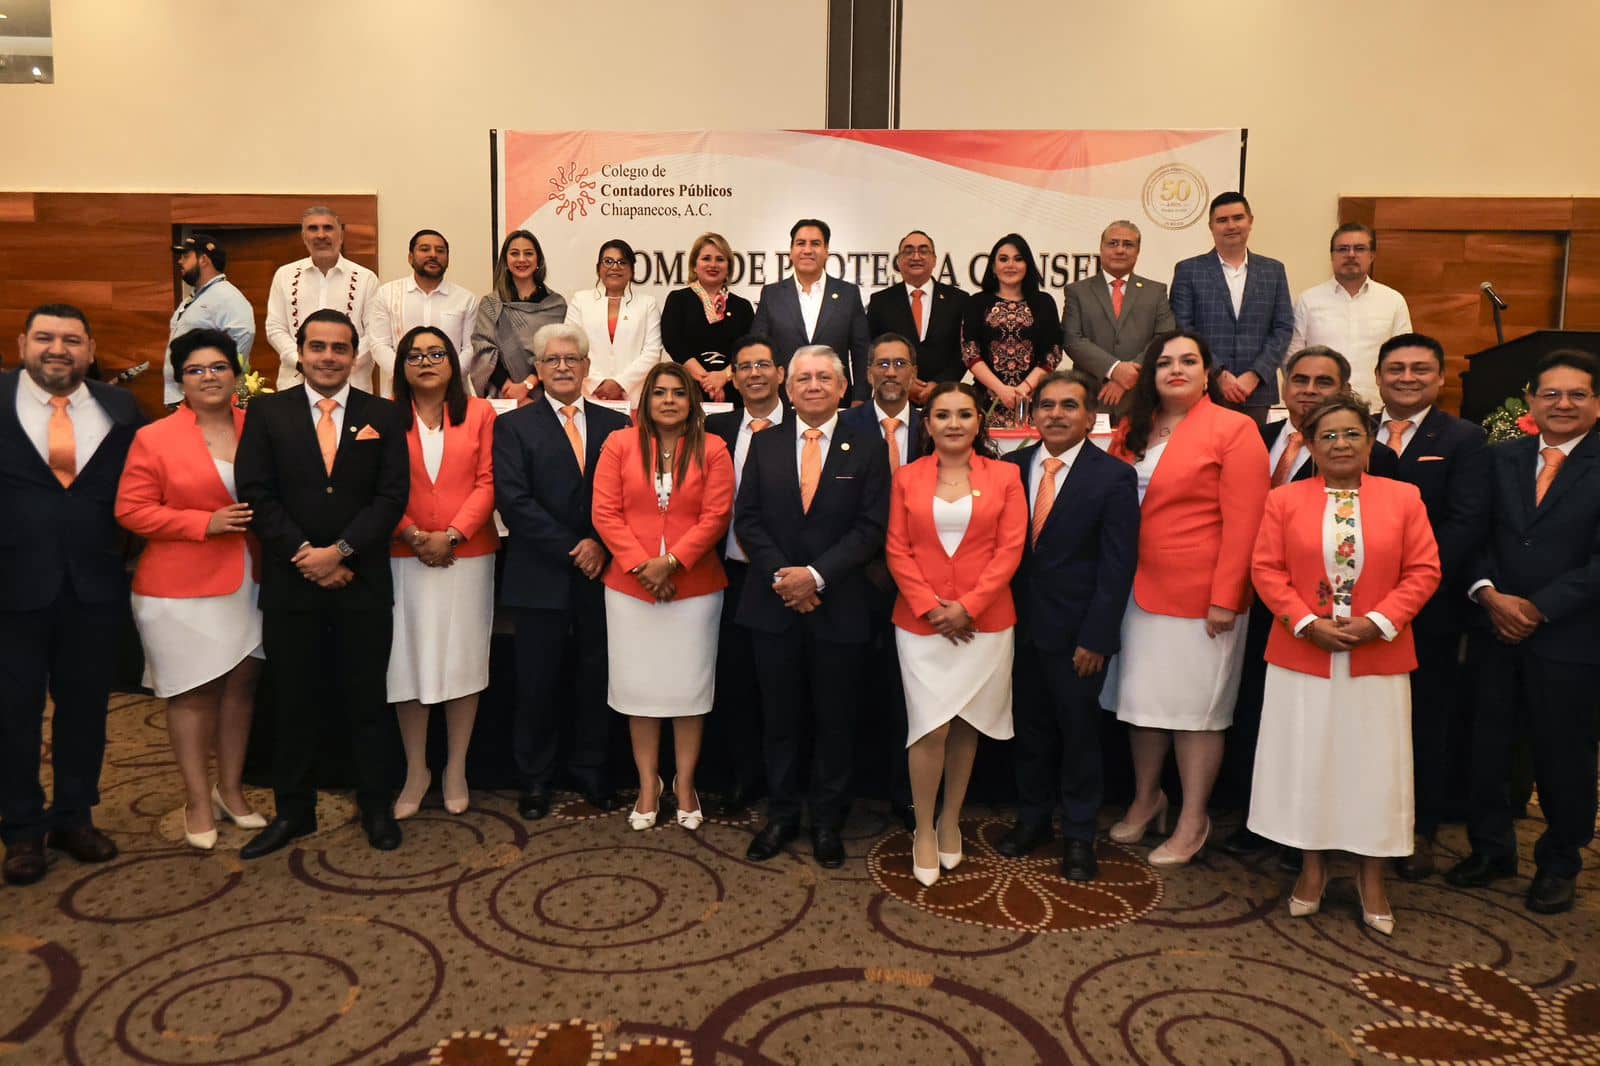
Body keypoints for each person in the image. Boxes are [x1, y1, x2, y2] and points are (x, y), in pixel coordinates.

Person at [1249, 396, 1441, 935]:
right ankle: (1311, 868)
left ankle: (1371, 876)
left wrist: (1378, 622)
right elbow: (1266, 569)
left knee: (1374, 767)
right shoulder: (1283, 501)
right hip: (1302, 653)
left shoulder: (1404, 497)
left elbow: (1424, 571)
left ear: (1369, 441)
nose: (1340, 444)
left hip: (1377, 654)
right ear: (1310, 445)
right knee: (1309, 761)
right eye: (1328, 435)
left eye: (1352, 434)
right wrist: (1305, 623)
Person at [234, 309, 410, 858]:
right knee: (294, 699)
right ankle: (294, 810)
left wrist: (341, 552)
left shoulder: (382, 412)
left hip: (362, 580)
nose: (329, 357)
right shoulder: (268, 413)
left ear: (355, 354)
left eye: (339, 348)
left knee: (366, 699)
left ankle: (376, 806)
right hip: (293, 581)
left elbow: (391, 495)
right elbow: (256, 492)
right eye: (318, 347)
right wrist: (304, 555)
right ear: (301, 353)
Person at [1222, 344, 1399, 858]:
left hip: (1326, 616)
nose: (1309, 391)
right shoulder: (1254, 438)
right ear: (1283, 387)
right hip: (1256, 599)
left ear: (1343, 390)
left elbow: (1385, 541)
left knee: (1320, 727)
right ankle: (1257, 817)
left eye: (1323, 382)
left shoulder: (1372, 457)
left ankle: (1314, 835)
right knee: (1257, 710)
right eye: (1299, 380)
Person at [1102, 330, 1269, 867]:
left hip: (1203, 599)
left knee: (1198, 713)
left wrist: (1227, 596)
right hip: (1135, 590)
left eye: (1189, 361)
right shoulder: (1133, 429)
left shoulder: (1235, 429)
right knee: (1142, 705)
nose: (1176, 369)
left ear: (1206, 374)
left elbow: (1246, 523)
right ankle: (1148, 798)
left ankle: (1194, 817)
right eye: (1164, 362)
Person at [1447, 349, 1600, 915]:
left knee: (1565, 755)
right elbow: (1474, 533)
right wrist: (1488, 593)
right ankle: (1492, 850)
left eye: (1577, 394)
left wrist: (1538, 608)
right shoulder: (1500, 458)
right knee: (1488, 745)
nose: (1563, 404)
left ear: (1596, 404)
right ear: (1531, 401)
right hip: (1495, 627)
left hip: (1572, 638)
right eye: (1551, 394)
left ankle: (1560, 861)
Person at [0, 304, 145, 886]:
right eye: (44, 338)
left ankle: (75, 816)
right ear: (22, 344)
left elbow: (136, 489)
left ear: (90, 350)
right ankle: (22, 830)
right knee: (14, 716)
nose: (57, 349)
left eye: (71, 340)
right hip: (12, 588)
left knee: (86, 709)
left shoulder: (119, 408)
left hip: (94, 584)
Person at [735, 345, 890, 868]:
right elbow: (749, 519)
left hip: (839, 602)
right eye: (803, 378)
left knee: (835, 719)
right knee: (778, 718)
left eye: (825, 377)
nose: (814, 386)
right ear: (787, 386)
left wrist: (817, 576)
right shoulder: (766, 442)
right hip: (773, 602)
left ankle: (826, 820)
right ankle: (781, 815)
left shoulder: (868, 445)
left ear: (844, 387)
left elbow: (871, 526)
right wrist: (786, 577)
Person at [116, 328, 265, 850]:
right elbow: (131, 511)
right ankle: (197, 800)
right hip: (177, 589)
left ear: (236, 373)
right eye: (197, 369)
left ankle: (232, 790)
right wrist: (204, 523)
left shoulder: (259, 427)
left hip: (248, 580)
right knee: (193, 693)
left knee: (241, 689)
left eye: (219, 367)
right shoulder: (154, 438)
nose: (209, 377)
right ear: (180, 378)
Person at [997, 371, 1139, 881]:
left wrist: (1097, 637)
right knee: (1029, 733)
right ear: (1032, 415)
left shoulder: (1113, 476)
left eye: (1069, 406)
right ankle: (1032, 819)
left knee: (1079, 738)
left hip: (1078, 638)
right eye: (1047, 406)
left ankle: (1079, 835)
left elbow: (1117, 565)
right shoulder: (1008, 469)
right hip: (1016, 630)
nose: (1056, 414)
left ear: (1089, 416)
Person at [885, 382, 1027, 885]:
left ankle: (951, 820)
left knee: (967, 723)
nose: (953, 423)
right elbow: (897, 550)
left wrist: (967, 607)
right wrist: (931, 608)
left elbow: (1010, 551)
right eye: (942, 415)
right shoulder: (906, 477)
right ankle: (924, 825)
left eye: (964, 414)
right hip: (922, 626)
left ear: (978, 422)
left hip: (983, 624)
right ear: (927, 425)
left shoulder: (1007, 475)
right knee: (930, 726)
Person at [493, 321, 630, 819]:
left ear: (588, 367)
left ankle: (591, 770)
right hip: (540, 574)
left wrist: (601, 546)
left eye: (573, 359)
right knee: (536, 683)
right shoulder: (512, 426)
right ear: (537, 369)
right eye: (553, 360)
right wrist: (577, 546)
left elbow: (626, 500)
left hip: (603, 576)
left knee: (596, 676)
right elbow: (514, 501)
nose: (564, 367)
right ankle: (536, 779)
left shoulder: (618, 425)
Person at [592, 361, 735, 830]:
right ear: (645, 401)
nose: (669, 400)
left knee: (689, 691)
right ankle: (648, 783)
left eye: (678, 392)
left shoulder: (713, 448)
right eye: (660, 393)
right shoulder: (618, 443)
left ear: (692, 401)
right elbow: (605, 513)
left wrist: (671, 563)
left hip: (693, 588)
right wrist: (643, 566)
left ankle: (686, 783)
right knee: (640, 691)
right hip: (630, 590)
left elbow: (716, 516)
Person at [1372, 333, 1486, 880]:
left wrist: (1407, 585)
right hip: (1355, 609)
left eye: (1421, 369)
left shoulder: (1463, 438)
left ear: (1440, 379)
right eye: (1396, 368)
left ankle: (1419, 831)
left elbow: (1465, 522)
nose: (1407, 378)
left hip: (1427, 610)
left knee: (1423, 722)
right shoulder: (1357, 432)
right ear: (1377, 377)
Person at [387, 327, 498, 820]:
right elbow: (376, 487)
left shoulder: (480, 413)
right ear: (402, 366)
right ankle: (416, 769)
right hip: (401, 556)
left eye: (436, 353)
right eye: (415, 355)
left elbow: (488, 482)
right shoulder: (383, 417)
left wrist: (451, 534)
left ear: (453, 362)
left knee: (463, 662)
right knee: (406, 665)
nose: (426, 361)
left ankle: (456, 768)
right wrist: (413, 534)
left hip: (466, 556)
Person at [839, 333, 923, 828]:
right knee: (846, 692)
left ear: (914, 372)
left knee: (908, 694)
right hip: (853, 577)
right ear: (867, 373)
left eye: (900, 364)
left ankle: (906, 793)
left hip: (917, 584)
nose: (891, 372)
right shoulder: (844, 422)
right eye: (882, 364)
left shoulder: (935, 426)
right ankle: (843, 794)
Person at [704, 335, 786, 815]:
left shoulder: (802, 428)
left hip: (781, 578)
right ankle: (742, 776)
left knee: (781, 688)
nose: (754, 374)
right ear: (732, 378)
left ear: (779, 374)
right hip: (726, 572)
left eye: (763, 365)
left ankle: (783, 783)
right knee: (734, 682)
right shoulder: (715, 429)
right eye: (744, 367)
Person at [1170, 193, 1293, 425]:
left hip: (1256, 391)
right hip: (1205, 386)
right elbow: (1183, 328)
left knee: (1253, 458)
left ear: (1250, 221)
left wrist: (1255, 375)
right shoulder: (1189, 270)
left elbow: (1283, 328)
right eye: (1222, 220)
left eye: (1238, 218)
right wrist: (1218, 373)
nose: (1231, 226)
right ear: (1211, 226)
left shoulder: (1273, 270)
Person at [1061, 221, 1177, 420]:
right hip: (1090, 398)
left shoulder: (1156, 291)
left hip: (1141, 400)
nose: (1120, 250)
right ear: (1101, 248)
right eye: (1113, 243)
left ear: (1138, 251)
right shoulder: (1077, 292)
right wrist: (1114, 369)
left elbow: (1164, 338)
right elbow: (1072, 339)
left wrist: (1128, 376)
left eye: (1128, 244)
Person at [1290, 223, 1413, 410]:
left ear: (1372, 256)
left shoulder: (1393, 301)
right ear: (1332, 256)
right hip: (1320, 409)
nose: (1351, 255)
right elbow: (1293, 358)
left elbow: (1403, 357)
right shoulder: (1308, 300)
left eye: (1360, 249)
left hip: (1376, 408)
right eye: (1343, 249)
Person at [751, 219, 872, 400]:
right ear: (791, 252)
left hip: (836, 401)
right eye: (801, 243)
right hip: (784, 401)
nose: (807, 250)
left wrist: (860, 399)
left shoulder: (848, 294)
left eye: (815, 244)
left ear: (826, 251)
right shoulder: (772, 294)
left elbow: (861, 352)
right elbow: (759, 350)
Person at [266, 206, 379, 392]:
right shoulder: (284, 275)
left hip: (352, 386)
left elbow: (374, 333)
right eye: (313, 229)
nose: (321, 235)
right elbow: (275, 328)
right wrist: (302, 362)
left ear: (341, 235)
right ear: (304, 237)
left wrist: (342, 363)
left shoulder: (366, 278)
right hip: (295, 383)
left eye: (328, 228)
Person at [960, 233, 1064, 430]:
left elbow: (1053, 352)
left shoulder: (1044, 302)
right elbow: (970, 352)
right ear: (992, 266)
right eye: (1003, 259)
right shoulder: (976, 302)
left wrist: (1022, 391)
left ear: (1028, 265)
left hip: (1034, 402)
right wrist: (1001, 390)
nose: (1011, 265)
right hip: (986, 402)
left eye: (1018, 259)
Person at [368, 229, 478, 399]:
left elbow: (470, 348)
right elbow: (379, 344)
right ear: (410, 257)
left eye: (440, 251)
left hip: (452, 394)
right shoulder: (386, 294)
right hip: (400, 393)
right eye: (425, 249)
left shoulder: (465, 299)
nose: (433, 255)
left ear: (448, 259)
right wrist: (407, 375)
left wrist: (448, 375)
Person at [867, 230, 969, 402]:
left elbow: (963, 351)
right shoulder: (880, 301)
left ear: (934, 259)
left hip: (945, 396)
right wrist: (905, 382)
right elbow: (872, 350)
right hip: (894, 397)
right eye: (908, 251)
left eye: (923, 250)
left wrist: (939, 384)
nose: (916, 256)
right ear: (898, 261)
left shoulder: (958, 300)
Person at [565, 238, 665, 404]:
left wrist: (621, 384)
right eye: (608, 261)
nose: (615, 267)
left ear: (632, 271)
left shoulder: (647, 304)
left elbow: (652, 353)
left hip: (633, 398)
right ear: (598, 269)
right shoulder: (580, 300)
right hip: (589, 395)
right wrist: (598, 383)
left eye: (622, 262)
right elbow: (572, 348)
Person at [469, 230, 567, 398]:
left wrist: (527, 386)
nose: (522, 259)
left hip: (547, 396)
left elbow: (558, 352)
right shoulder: (491, 305)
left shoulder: (556, 305)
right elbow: (483, 352)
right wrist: (509, 388)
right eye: (515, 253)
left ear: (538, 260)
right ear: (506, 261)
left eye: (528, 253)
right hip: (503, 395)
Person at [660, 232, 756, 404]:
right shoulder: (678, 300)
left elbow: (748, 348)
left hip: (733, 390)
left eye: (720, 259)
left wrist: (723, 377)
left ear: (729, 267)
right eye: (706, 258)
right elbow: (672, 341)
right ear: (694, 265)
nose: (713, 264)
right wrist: (708, 382)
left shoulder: (743, 307)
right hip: (689, 389)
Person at [164, 234, 255, 406]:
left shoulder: (227, 296)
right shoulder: (192, 300)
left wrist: (216, 381)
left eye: (186, 256)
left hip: (208, 398)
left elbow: (244, 335)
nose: (180, 261)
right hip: (185, 396)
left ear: (204, 259)